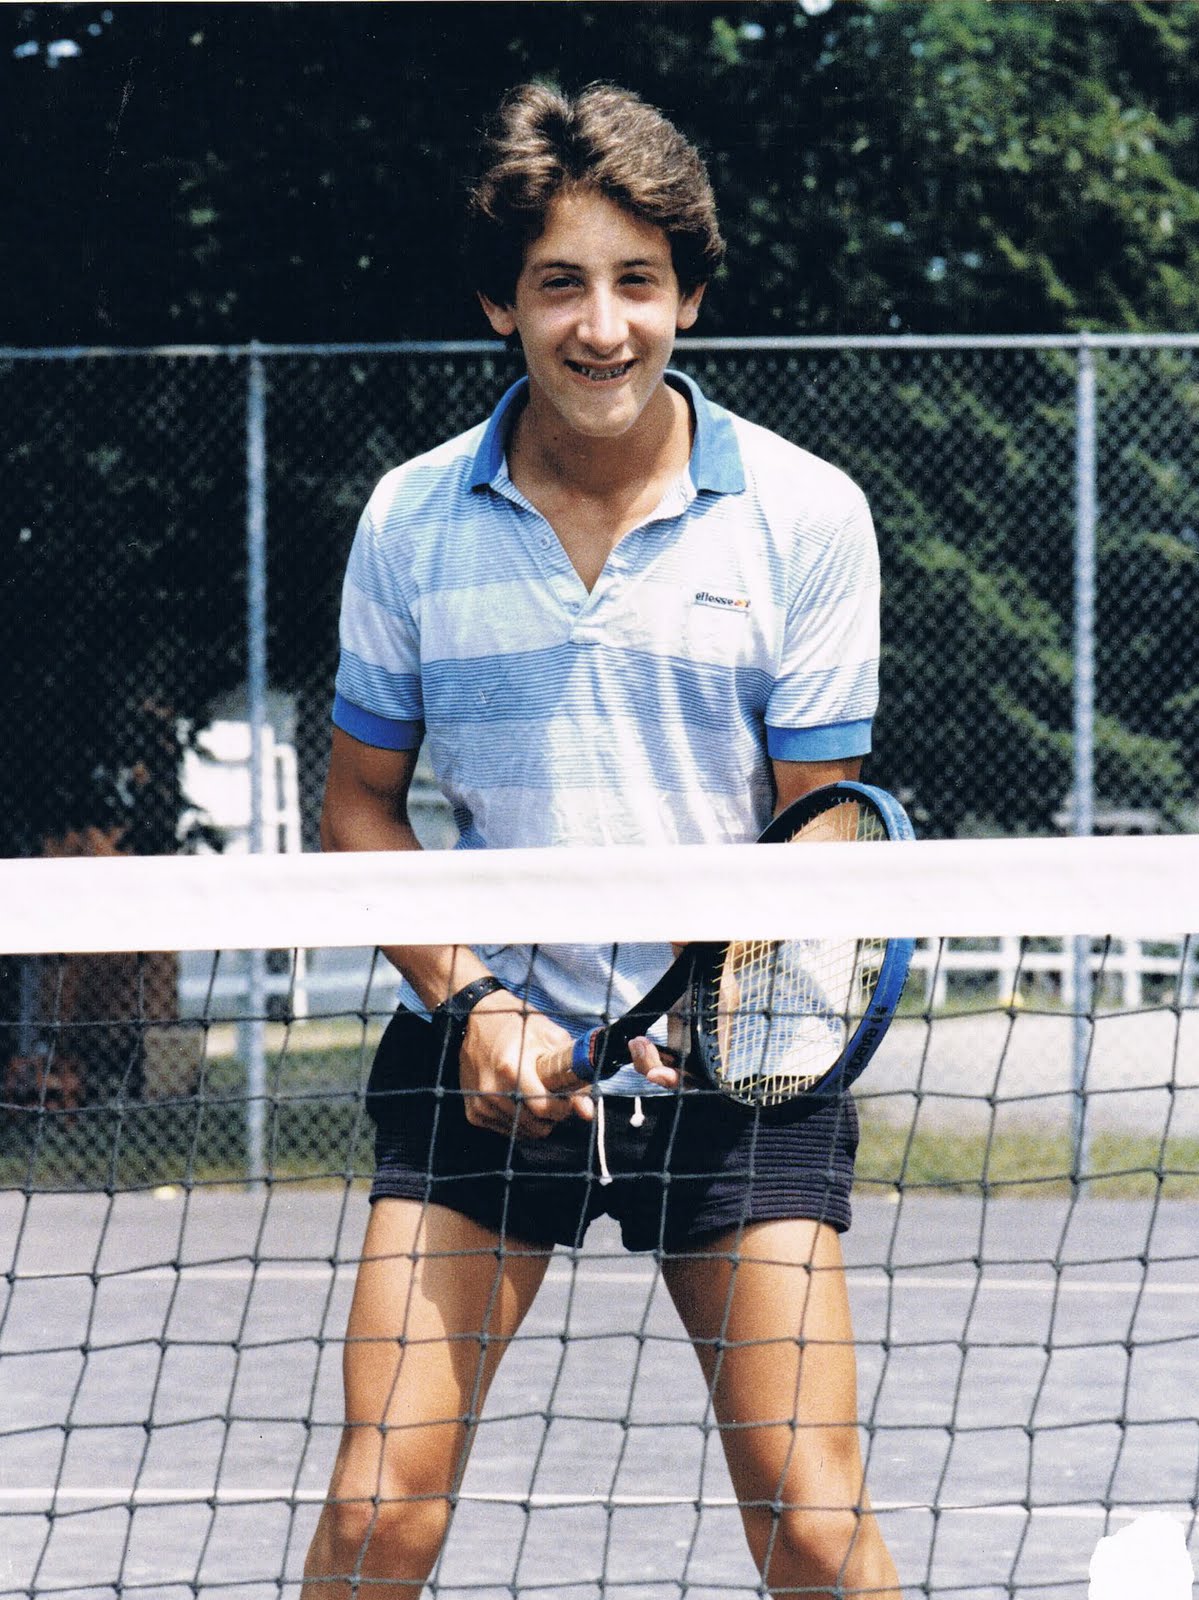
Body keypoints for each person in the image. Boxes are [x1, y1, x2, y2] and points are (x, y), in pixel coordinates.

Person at [302, 81, 902, 1600]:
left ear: (689, 296)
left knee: (814, 1525)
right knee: (378, 1513)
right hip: (484, 1057)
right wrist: (475, 1005)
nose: (601, 325)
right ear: (498, 302)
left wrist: (723, 1004)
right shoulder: (410, 521)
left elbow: (817, 829)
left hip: (733, 1074)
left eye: (639, 281)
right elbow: (357, 804)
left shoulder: (808, 515)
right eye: (559, 282)